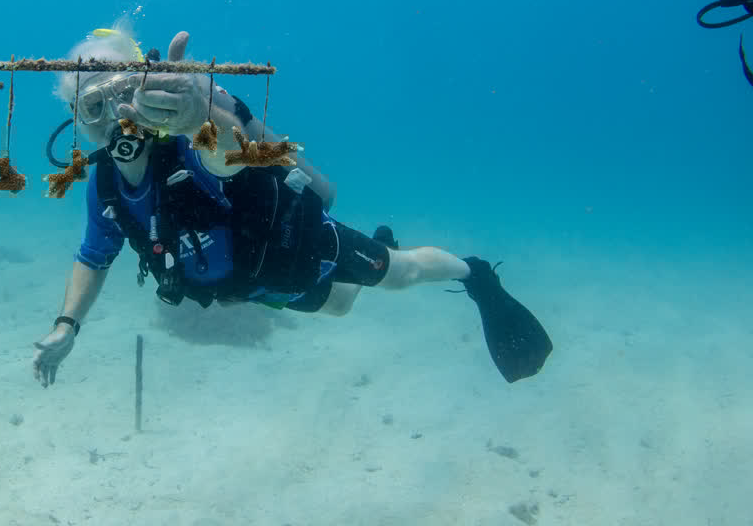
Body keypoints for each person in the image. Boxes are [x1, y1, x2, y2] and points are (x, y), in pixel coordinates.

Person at [32, 28, 553, 388]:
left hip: (299, 243)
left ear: (144, 87)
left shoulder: (187, 146)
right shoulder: (102, 188)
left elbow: (229, 158)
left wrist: (197, 120)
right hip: (258, 283)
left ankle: (474, 272)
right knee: (340, 306)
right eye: (93, 107)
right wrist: (66, 324)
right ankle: (385, 246)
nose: (113, 120)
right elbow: (92, 256)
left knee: (400, 273)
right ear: (75, 119)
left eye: (123, 94)